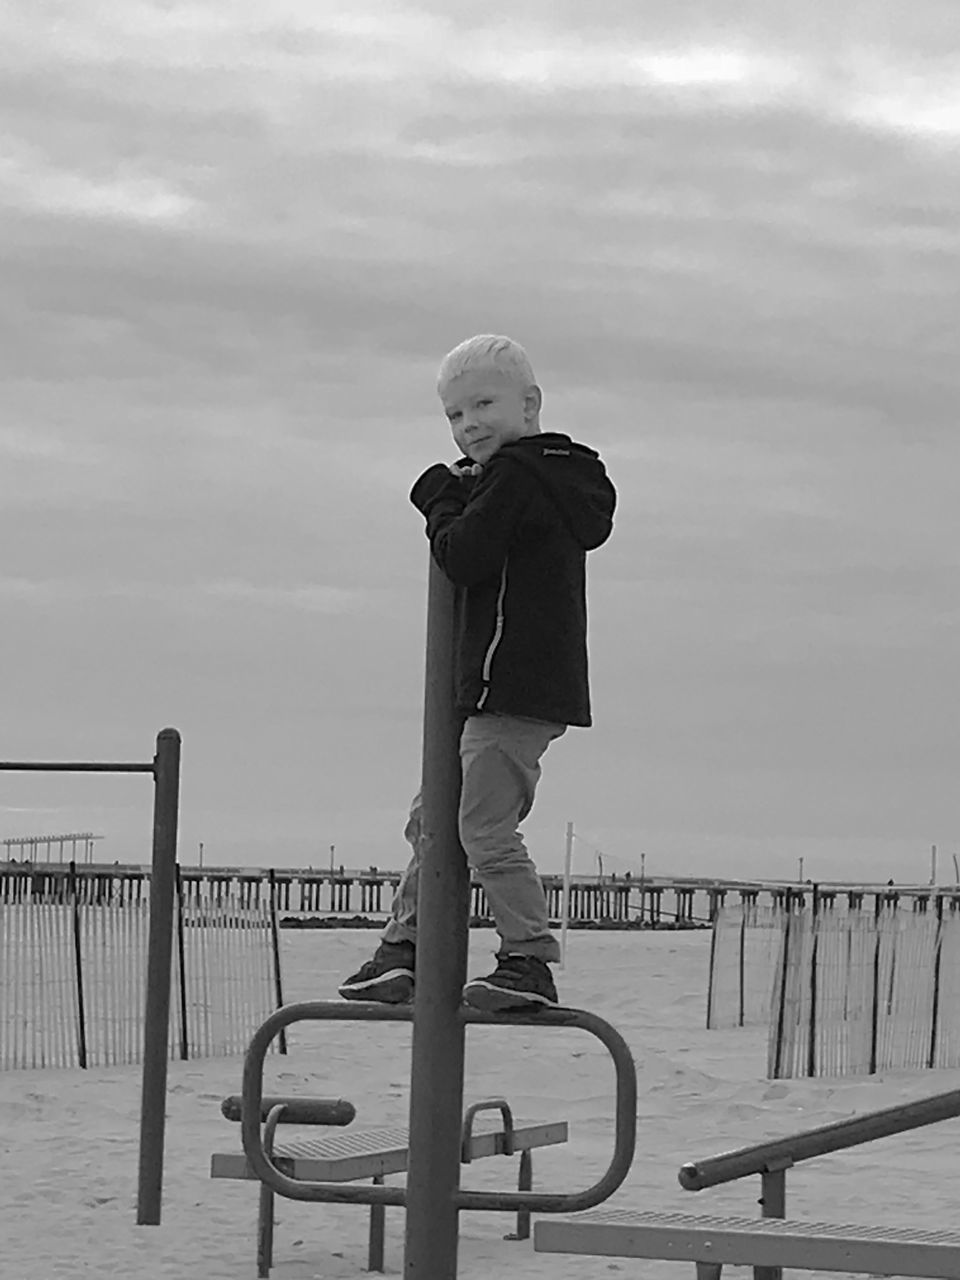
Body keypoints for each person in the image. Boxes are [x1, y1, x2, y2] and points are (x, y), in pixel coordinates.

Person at [339, 334, 616, 1011]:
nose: (470, 427)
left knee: (483, 829)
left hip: (510, 689)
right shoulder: (545, 478)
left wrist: (437, 496)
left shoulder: (520, 476)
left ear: (531, 403)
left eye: (484, 405)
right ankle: (404, 950)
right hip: (516, 688)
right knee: (434, 818)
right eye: (455, 416)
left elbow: (463, 555)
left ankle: (528, 959)